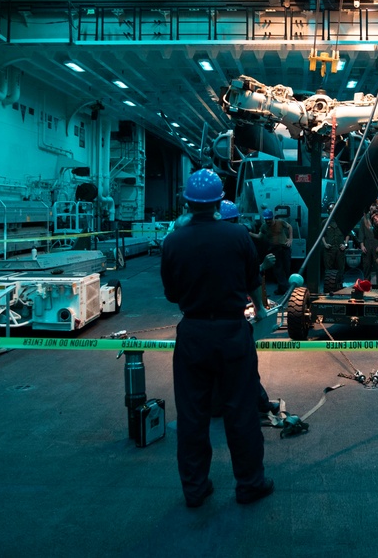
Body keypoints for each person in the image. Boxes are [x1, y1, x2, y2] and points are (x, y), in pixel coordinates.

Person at [161, 170, 274, 508]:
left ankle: (195, 489)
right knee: (241, 411)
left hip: (193, 333)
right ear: (218, 201)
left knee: (192, 414)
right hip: (232, 332)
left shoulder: (173, 241)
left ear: (188, 202)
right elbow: (253, 281)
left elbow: (170, 294)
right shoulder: (238, 235)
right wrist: (262, 311)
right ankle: (250, 484)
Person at [218, 200, 282, 425]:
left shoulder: (185, 238)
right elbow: (249, 278)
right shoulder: (238, 238)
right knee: (245, 367)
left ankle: (216, 408)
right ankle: (261, 405)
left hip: (195, 324)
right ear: (235, 220)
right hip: (230, 322)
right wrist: (260, 308)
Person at [263, 208, 293, 295]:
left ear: (272, 217)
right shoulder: (264, 226)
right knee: (278, 270)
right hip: (274, 250)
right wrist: (248, 233)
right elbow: (260, 236)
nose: (268, 221)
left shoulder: (280, 222)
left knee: (286, 269)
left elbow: (289, 226)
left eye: (269, 219)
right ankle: (286, 290)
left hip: (284, 248)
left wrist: (290, 239)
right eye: (266, 219)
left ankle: (282, 289)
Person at [321, 203, 348, 278]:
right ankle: (329, 287)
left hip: (340, 249)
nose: (332, 211)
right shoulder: (324, 222)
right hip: (329, 250)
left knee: (340, 269)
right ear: (328, 211)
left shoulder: (342, 222)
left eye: (334, 209)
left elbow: (348, 235)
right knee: (328, 270)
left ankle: (339, 285)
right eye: (330, 210)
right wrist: (325, 244)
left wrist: (345, 245)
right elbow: (321, 235)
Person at [357, 212, 378, 284]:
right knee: (366, 265)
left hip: (377, 243)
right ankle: (366, 284)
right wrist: (362, 245)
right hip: (367, 243)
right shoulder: (364, 219)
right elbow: (361, 232)